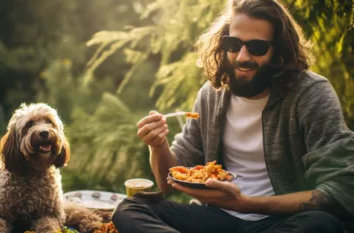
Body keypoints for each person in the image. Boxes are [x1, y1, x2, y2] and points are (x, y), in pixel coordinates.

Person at [111, 0, 354, 232]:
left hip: (281, 222)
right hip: (218, 219)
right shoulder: (211, 96)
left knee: (321, 225)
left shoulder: (310, 94)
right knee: (131, 209)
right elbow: (169, 181)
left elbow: (341, 189)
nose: (242, 57)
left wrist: (246, 203)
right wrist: (158, 144)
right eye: (233, 44)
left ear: (278, 51)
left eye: (257, 47)